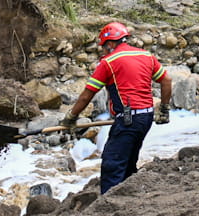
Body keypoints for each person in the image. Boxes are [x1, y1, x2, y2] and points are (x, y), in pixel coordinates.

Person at [62, 21, 172, 193]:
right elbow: (166, 80)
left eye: (104, 47)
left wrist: (71, 117)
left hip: (128, 119)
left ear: (111, 43)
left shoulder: (108, 62)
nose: (103, 51)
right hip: (146, 116)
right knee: (128, 160)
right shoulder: (146, 55)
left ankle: (108, 205)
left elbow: (87, 95)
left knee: (112, 164)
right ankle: (129, 196)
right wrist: (164, 109)